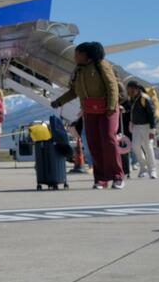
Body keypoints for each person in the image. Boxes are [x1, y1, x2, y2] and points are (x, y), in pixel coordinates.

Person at [51, 42, 124, 189]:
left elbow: (112, 86)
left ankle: (118, 176)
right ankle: (101, 179)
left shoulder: (102, 65)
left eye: (78, 53)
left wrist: (111, 107)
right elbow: (74, 91)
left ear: (87, 55)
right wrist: (59, 102)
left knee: (108, 139)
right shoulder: (78, 70)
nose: (75, 56)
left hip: (107, 109)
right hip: (90, 110)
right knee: (93, 144)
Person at [126, 81, 158, 180]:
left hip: (147, 127)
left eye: (131, 89)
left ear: (136, 89)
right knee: (135, 147)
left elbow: (151, 114)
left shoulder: (145, 98)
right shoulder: (132, 98)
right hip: (136, 127)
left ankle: (152, 170)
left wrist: (152, 129)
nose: (129, 91)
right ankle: (143, 167)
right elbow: (132, 111)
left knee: (148, 148)